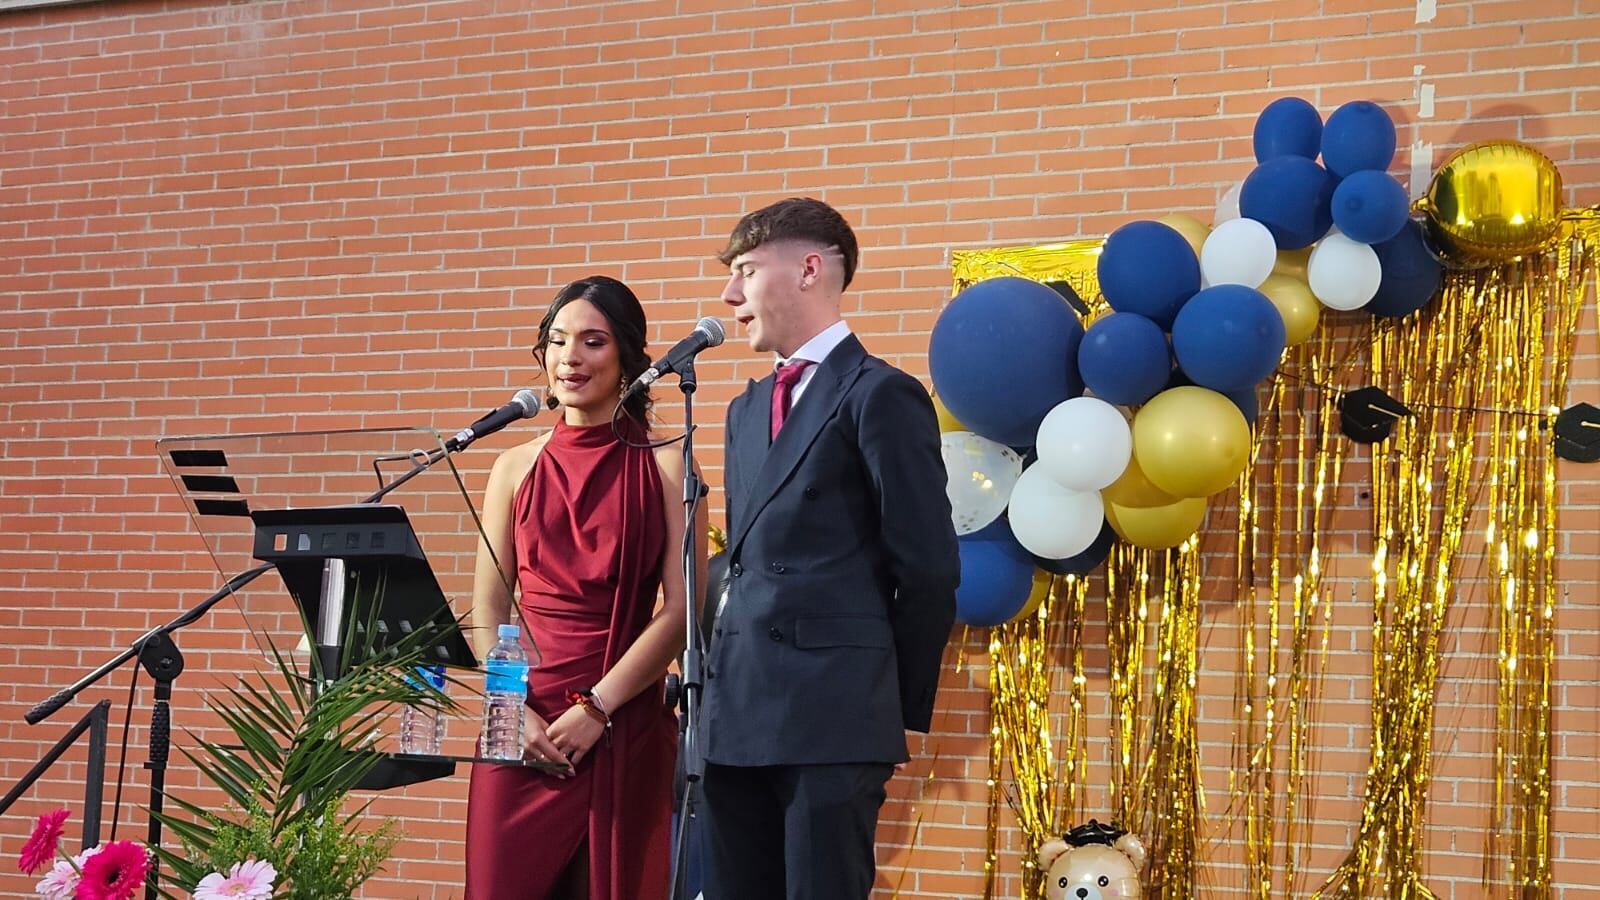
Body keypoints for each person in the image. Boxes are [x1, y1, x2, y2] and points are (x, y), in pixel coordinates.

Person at [698, 198, 960, 898]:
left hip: (833, 716)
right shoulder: (744, 410)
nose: (729, 296)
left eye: (745, 272)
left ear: (810, 269)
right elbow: (746, 555)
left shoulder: (881, 395)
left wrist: (881, 699)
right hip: (736, 710)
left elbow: (930, 567)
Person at [464, 275, 706, 900]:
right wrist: (509, 710)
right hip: (519, 727)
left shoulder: (670, 461)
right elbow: (486, 611)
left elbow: (684, 612)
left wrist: (597, 708)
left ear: (627, 356)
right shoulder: (513, 466)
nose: (570, 357)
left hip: (620, 719)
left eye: (592, 341)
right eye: (557, 340)